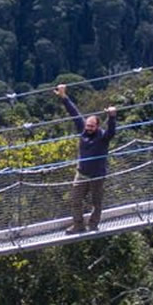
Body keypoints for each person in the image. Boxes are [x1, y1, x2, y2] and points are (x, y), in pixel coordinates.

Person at [56, 83, 117, 234]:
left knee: (96, 202)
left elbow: (111, 131)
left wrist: (112, 116)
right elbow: (74, 113)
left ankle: (93, 225)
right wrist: (64, 97)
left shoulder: (103, 137)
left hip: (97, 176)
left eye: (91, 126)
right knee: (75, 200)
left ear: (97, 126)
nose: (88, 128)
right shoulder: (82, 130)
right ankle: (78, 225)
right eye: (87, 126)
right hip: (82, 173)